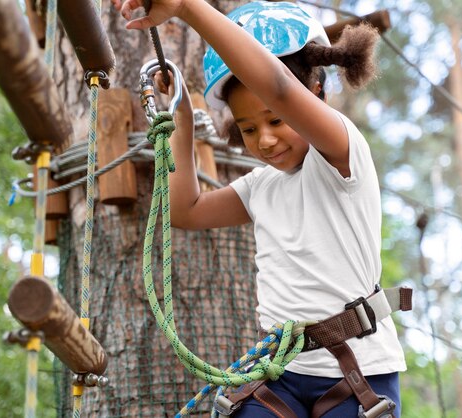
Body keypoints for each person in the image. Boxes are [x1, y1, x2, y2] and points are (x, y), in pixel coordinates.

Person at [113, 0, 408, 417]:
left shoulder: (343, 156)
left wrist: (188, 8)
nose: (264, 141)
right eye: (248, 128)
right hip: (280, 373)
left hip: (358, 372)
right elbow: (187, 210)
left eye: (275, 121)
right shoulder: (261, 187)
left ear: (316, 92)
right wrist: (180, 112)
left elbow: (279, 87)